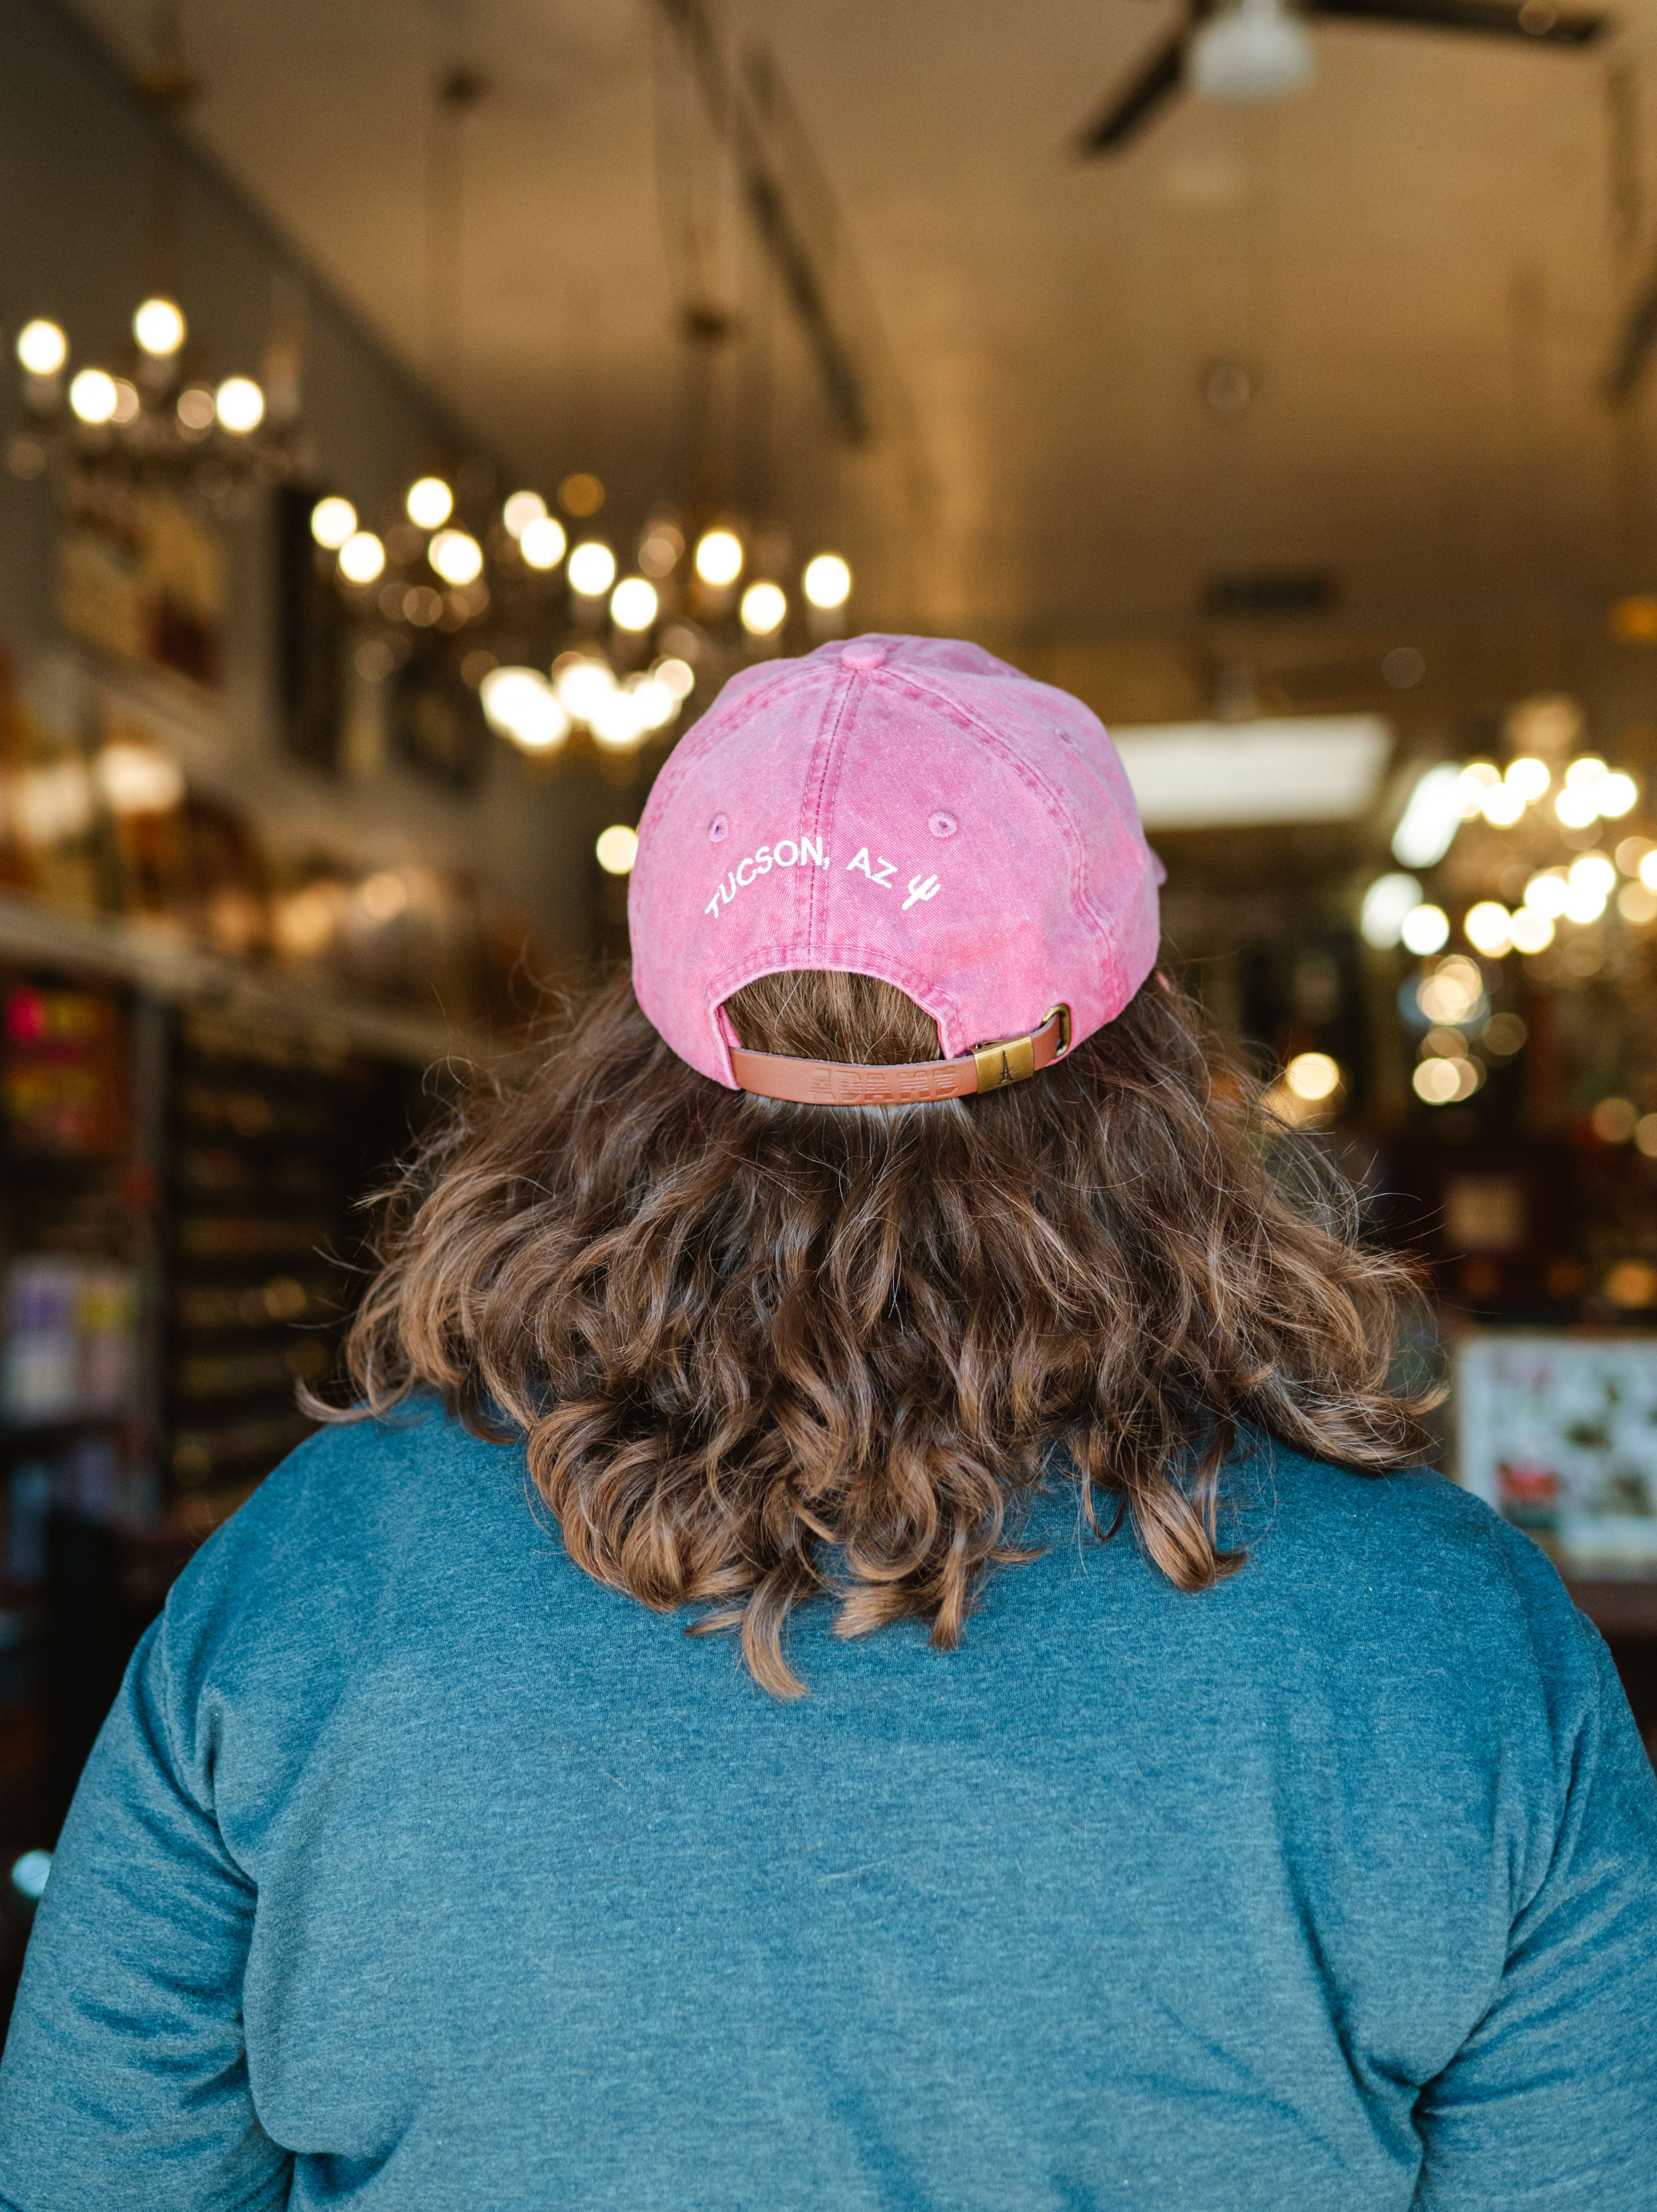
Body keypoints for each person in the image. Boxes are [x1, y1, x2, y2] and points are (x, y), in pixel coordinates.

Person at [0, 634, 1653, 2212]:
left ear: (633, 1050)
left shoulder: (312, 1578)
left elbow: (97, 2171)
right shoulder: (1457, 1638)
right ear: (1147, 1054)